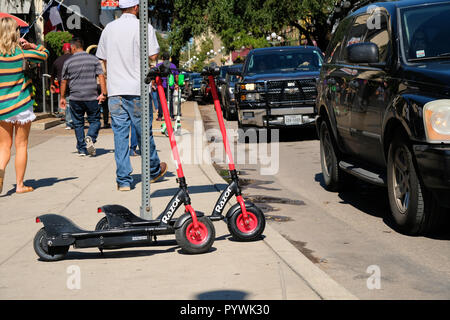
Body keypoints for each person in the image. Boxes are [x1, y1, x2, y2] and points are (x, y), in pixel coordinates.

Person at [96, 0, 167, 191]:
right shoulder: (144, 27)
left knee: (120, 136)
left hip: (116, 90)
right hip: (137, 88)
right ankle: (153, 169)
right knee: (144, 132)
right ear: (137, 7)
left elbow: (101, 57)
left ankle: (124, 180)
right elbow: (153, 55)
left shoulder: (109, 28)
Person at [0, 17, 49, 194]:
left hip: (2, 108)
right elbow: (45, 54)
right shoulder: (22, 53)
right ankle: (20, 185)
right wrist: (31, 46)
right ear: (15, 33)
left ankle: (0, 172)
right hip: (21, 105)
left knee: (4, 147)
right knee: (21, 145)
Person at [60, 38, 107, 157]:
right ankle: (90, 137)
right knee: (95, 121)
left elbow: (64, 81)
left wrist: (62, 97)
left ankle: (81, 149)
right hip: (91, 97)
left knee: (78, 123)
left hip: (75, 98)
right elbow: (101, 76)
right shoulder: (94, 59)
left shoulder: (68, 62)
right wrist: (104, 93)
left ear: (73, 47)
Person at [50, 42, 73, 130]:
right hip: (74, 83)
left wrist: (52, 84)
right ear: (70, 49)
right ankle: (74, 121)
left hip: (63, 85)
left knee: (67, 103)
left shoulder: (57, 60)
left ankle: (69, 123)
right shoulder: (74, 58)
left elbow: (52, 74)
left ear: (63, 50)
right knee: (75, 103)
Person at [156, 53, 178, 120]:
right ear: (169, 58)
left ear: (162, 58)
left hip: (160, 86)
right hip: (170, 85)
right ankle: (171, 116)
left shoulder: (158, 65)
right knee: (170, 100)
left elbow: (155, 76)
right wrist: (176, 84)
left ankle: (160, 116)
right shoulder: (173, 66)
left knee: (160, 101)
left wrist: (154, 84)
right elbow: (176, 76)